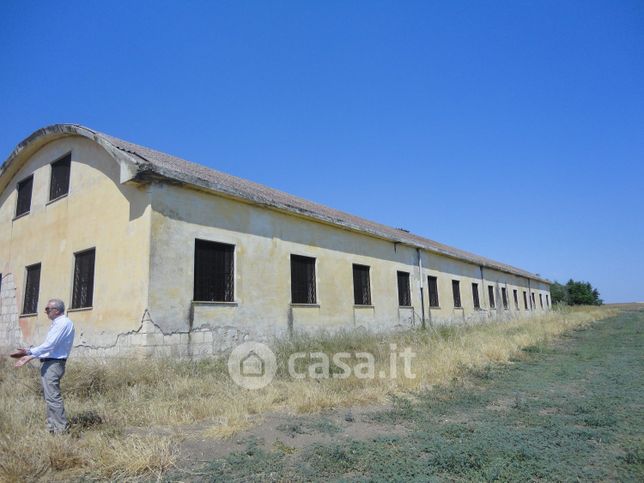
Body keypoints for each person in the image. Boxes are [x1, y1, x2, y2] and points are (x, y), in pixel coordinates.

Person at [14, 298, 75, 434]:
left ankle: (61, 430)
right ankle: (52, 427)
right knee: (49, 397)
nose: (45, 311)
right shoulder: (57, 324)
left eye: (48, 309)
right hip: (49, 362)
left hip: (54, 363)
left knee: (53, 397)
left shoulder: (63, 323)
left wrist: (29, 351)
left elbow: (49, 345)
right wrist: (30, 357)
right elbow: (50, 347)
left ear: (56, 310)